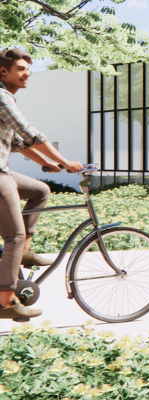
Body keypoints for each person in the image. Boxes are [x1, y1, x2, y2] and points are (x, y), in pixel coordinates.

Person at [0, 48, 84, 320]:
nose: (27, 74)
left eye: (28, 68)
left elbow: (18, 143)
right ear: (3, 71)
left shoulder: (6, 97)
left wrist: (44, 163)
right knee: (14, 235)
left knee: (40, 190)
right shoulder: (2, 98)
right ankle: (6, 301)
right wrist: (65, 160)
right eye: (21, 69)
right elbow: (31, 134)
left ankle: (24, 254)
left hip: (4, 170)